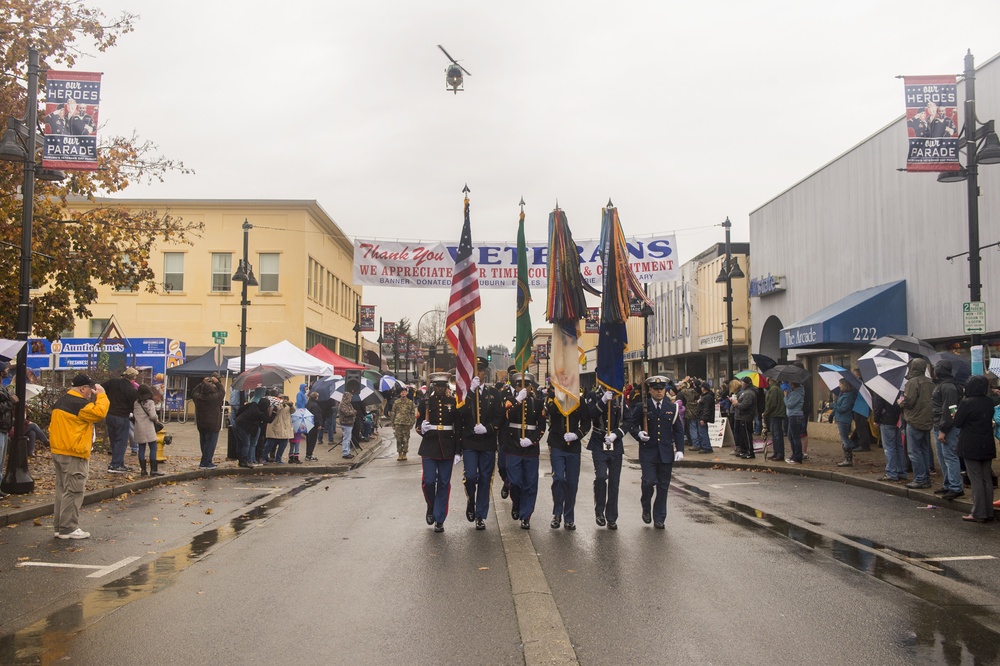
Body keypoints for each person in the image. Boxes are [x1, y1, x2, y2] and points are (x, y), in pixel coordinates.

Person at [50, 374, 109, 539]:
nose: (91, 392)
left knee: (62, 490)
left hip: (60, 450)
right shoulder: (79, 404)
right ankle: (68, 528)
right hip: (74, 452)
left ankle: (59, 527)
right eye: (89, 389)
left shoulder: (61, 401)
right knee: (74, 491)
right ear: (82, 388)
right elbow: (99, 414)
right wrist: (102, 395)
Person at [626, 375, 686, 528]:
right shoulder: (642, 407)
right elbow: (632, 425)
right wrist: (639, 434)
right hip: (648, 452)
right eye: (656, 389)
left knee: (663, 486)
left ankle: (659, 517)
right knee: (648, 481)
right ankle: (646, 506)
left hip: (665, 452)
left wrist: (680, 449)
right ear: (650, 390)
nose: (660, 392)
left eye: (662, 389)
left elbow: (678, 430)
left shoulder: (672, 407)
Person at [458, 357, 503, 530]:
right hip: (469, 441)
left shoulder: (494, 393)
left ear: (485, 372)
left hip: (487, 442)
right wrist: (470, 392)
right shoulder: (465, 394)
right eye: (475, 370)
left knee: (485, 479)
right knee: (470, 476)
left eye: (481, 370)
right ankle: (471, 500)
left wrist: (488, 428)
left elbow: (499, 417)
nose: (478, 373)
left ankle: (480, 515)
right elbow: (460, 413)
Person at [416, 372, 461, 532]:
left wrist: (458, 451)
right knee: (428, 481)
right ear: (434, 386)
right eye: (438, 385)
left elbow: (458, 428)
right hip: (429, 446)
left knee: (443, 483)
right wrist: (422, 428)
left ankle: (439, 518)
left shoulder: (453, 402)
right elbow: (418, 424)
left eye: (443, 385)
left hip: (447, 447)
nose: (440, 388)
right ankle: (431, 505)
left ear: (446, 386)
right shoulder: (425, 403)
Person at [503, 372, 546, 530]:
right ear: (515, 386)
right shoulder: (509, 401)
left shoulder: (538, 403)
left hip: (530, 447)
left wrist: (532, 440)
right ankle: (517, 502)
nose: (523, 388)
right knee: (515, 482)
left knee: (530, 483)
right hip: (513, 445)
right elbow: (506, 416)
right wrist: (517, 400)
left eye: (526, 385)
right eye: (520, 385)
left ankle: (526, 515)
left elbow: (541, 426)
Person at [545, 389, 591, 531]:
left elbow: (586, 423)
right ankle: (557, 513)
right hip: (557, 443)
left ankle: (569, 517)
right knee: (558, 478)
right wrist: (561, 397)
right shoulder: (552, 397)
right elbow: (551, 411)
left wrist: (577, 435)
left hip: (573, 446)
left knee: (572, 483)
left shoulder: (579, 400)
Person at [954, 375, 996, 522]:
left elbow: (958, 423)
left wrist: (954, 415)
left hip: (971, 444)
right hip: (987, 443)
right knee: (986, 479)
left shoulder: (966, 403)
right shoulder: (989, 402)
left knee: (975, 479)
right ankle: (988, 511)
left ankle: (978, 512)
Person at [586, 387, 626, 529]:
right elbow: (591, 414)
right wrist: (603, 401)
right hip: (598, 440)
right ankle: (599, 511)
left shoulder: (620, 396)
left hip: (615, 442)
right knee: (601, 476)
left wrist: (617, 434)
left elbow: (628, 420)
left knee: (614, 481)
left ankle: (612, 517)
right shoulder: (593, 395)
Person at [930, 360, 964, 500]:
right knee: (943, 458)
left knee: (949, 457)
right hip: (939, 425)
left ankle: (956, 487)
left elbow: (951, 410)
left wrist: (943, 429)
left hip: (946, 427)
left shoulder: (948, 387)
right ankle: (948, 484)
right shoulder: (943, 385)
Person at [900, 358, 935, 490]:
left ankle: (920, 478)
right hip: (927, 420)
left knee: (914, 452)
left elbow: (909, 402)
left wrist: (901, 402)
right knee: (925, 450)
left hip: (914, 420)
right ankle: (925, 477)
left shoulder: (912, 382)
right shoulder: (930, 382)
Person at [102, 367, 139, 473]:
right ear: (134, 377)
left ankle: (119, 463)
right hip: (122, 416)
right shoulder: (131, 390)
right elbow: (133, 406)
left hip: (109, 415)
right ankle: (115, 465)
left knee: (114, 440)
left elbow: (100, 389)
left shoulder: (113, 382)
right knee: (121, 441)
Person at [191, 373, 225, 469]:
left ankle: (206, 460)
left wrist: (202, 383)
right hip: (213, 424)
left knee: (204, 443)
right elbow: (222, 391)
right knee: (210, 444)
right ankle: (205, 462)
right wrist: (217, 382)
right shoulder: (215, 398)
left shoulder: (198, 398)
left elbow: (193, 392)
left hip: (201, 424)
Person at [233, 395, 277, 468]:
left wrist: (236, 417)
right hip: (243, 427)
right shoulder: (260, 414)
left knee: (240, 443)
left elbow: (241, 409)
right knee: (246, 444)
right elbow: (269, 420)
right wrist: (274, 412)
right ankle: (244, 461)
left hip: (237, 423)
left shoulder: (252, 405)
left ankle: (240, 460)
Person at [133, 384, 163, 477]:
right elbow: (152, 416)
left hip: (138, 428)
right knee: (153, 448)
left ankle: (143, 470)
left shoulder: (136, 403)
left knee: (141, 449)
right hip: (148, 428)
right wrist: (157, 418)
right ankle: (154, 470)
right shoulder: (149, 402)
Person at [731, 376, 757, 459]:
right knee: (743, 435)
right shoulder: (745, 392)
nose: (741, 384)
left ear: (745, 384)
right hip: (742, 416)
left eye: (742, 382)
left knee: (747, 435)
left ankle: (750, 452)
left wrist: (736, 404)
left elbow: (745, 405)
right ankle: (745, 450)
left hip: (746, 417)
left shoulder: (749, 393)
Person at [833, 379, 858, 467]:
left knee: (845, 439)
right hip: (840, 419)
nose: (839, 385)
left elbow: (843, 408)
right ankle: (847, 458)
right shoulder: (841, 394)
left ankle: (848, 459)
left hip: (844, 419)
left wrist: (833, 406)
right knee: (844, 439)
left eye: (840, 384)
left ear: (844, 385)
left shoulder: (848, 396)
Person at [264, 392, 293, 463]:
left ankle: (278, 459)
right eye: (282, 398)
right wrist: (280, 405)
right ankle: (263, 457)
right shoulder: (274, 405)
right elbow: (273, 412)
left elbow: (293, 411)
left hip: (285, 428)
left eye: (285, 398)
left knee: (283, 445)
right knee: (269, 444)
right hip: (275, 427)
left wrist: (291, 405)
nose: (284, 399)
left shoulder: (287, 406)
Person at [763, 377, 786, 461]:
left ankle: (779, 454)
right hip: (776, 414)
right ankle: (777, 453)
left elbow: (771, 404)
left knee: (776, 435)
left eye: (768, 379)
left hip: (775, 414)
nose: (767, 381)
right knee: (776, 435)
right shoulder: (776, 389)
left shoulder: (774, 390)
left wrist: (766, 412)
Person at [0, 362, 17, 478]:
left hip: (4, 427)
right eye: (5, 369)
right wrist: (11, 402)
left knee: (1, 461)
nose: (7, 370)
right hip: (1, 427)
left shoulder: (2, 386)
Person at [390, 386, 417, 461]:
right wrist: (392, 423)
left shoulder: (410, 402)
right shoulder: (396, 402)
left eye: (405, 392)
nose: (403, 393)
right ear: (400, 393)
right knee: (399, 439)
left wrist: (412, 422)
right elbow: (393, 412)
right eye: (402, 392)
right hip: (398, 422)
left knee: (405, 439)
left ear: (407, 393)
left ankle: (404, 453)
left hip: (406, 423)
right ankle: (399, 453)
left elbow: (412, 413)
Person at [783, 381, 805, 464]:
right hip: (791, 416)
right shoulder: (793, 392)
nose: (789, 385)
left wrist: (785, 397)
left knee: (795, 437)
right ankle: (794, 454)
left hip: (795, 416)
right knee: (790, 436)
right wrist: (788, 395)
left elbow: (789, 404)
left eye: (791, 384)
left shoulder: (798, 393)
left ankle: (798, 457)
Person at [337, 381, 359, 459]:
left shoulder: (348, 404)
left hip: (349, 423)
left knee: (348, 438)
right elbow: (347, 413)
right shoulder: (342, 404)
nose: (351, 399)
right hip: (345, 423)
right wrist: (354, 412)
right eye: (350, 397)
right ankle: (345, 453)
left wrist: (353, 412)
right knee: (346, 439)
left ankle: (347, 451)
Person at [693, 382, 715, 454]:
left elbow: (706, 409)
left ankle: (707, 447)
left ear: (703, 388)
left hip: (702, 417)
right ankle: (704, 446)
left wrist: (703, 418)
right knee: (701, 432)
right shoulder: (705, 396)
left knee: (703, 432)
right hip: (701, 416)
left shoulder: (707, 397)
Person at [304, 391, 322, 461]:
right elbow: (316, 416)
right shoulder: (315, 406)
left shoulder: (308, 404)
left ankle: (308, 453)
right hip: (313, 425)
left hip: (308, 424)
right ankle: (309, 454)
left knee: (308, 440)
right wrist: (318, 424)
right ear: (315, 397)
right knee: (312, 440)